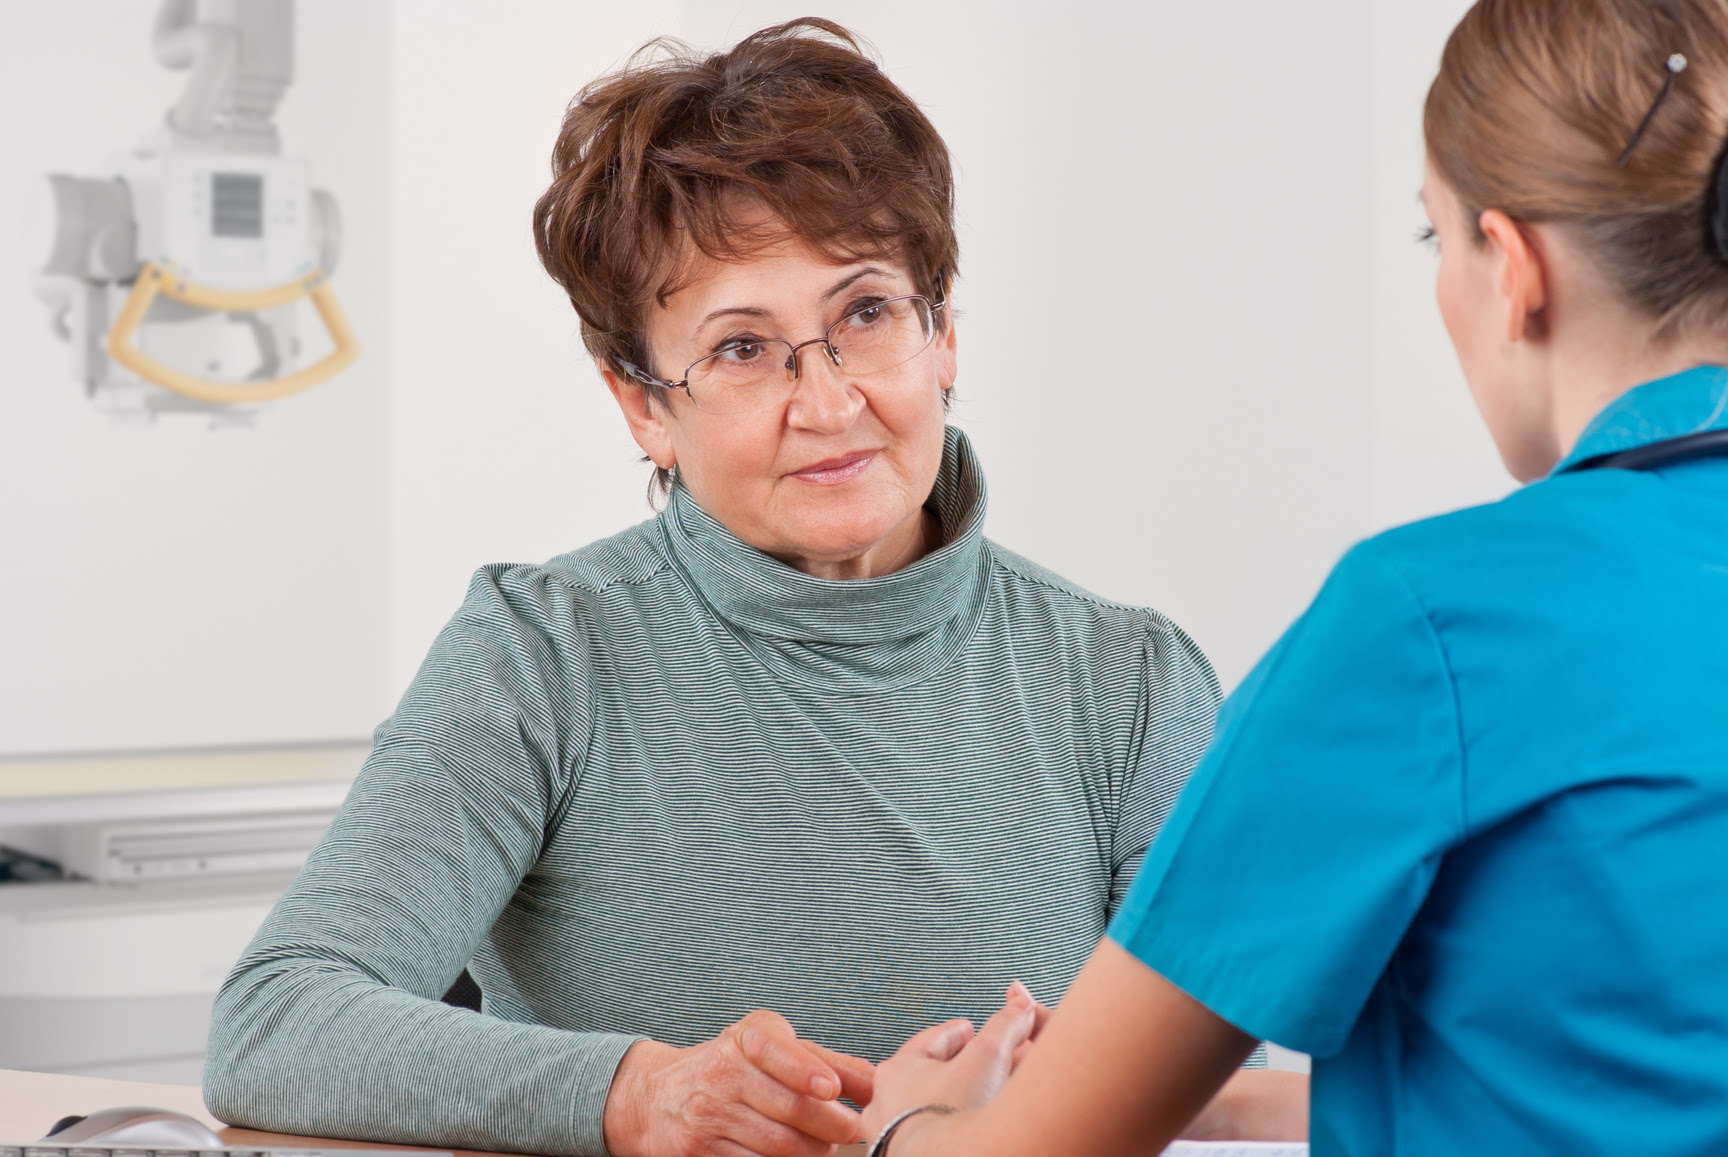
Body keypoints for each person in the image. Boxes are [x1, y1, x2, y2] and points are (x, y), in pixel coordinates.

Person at [202, 20, 1302, 1157]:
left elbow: (1218, 1099)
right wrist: (641, 1093)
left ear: (943, 335)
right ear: (643, 405)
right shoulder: (539, 653)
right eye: (741, 348)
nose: (827, 404)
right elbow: (277, 1020)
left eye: (865, 314)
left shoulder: (1131, 681)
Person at [858, 0, 1728, 1154]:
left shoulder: (1431, 623)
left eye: (1434, 237)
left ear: (1513, 266)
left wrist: (904, 1125)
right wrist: (1170, 1084)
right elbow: (1573, 1072)